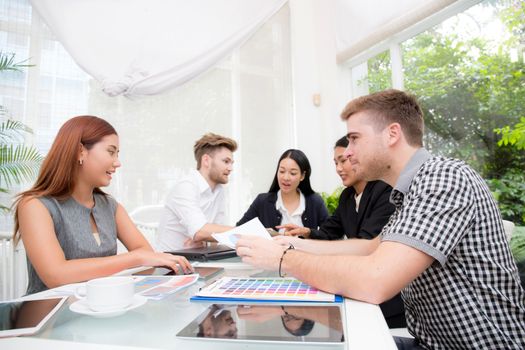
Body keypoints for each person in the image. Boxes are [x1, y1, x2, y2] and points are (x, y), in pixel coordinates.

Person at [236, 90, 525, 349]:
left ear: (392, 134)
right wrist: (293, 245)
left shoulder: (443, 177)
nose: (347, 152)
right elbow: (372, 246)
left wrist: (283, 260)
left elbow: (375, 279)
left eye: (354, 139)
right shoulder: (409, 190)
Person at [13, 116, 192, 295]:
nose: (117, 162)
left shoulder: (110, 206)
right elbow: (56, 275)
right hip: (50, 316)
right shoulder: (35, 206)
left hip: (102, 308)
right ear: (80, 151)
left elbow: (145, 254)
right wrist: (134, 258)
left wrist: (139, 257)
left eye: (117, 153)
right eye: (111, 151)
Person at [279, 136, 405, 328]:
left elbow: (367, 244)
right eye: (336, 162)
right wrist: (307, 232)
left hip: (388, 303)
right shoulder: (347, 196)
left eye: (343, 160)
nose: (338, 168)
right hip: (360, 292)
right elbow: (330, 230)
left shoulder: (385, 191)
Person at [156, 133, 237, 251]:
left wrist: (207, 235)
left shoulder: (219, 190)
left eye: (231, 163)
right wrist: (243, 232)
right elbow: (200, 231)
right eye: (226, 161)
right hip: (171, 262)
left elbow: (217, 234)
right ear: (206, 161)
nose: (230, 168)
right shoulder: (186, 186)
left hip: (199, 259)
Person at [236, 149, 328, 233]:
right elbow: (239, 230)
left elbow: (331, 235)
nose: (285, 177)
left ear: (302, 176)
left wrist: (308, 233)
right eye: (282, 171)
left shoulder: (315, 202)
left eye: (293, 173)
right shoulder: (262, 201)